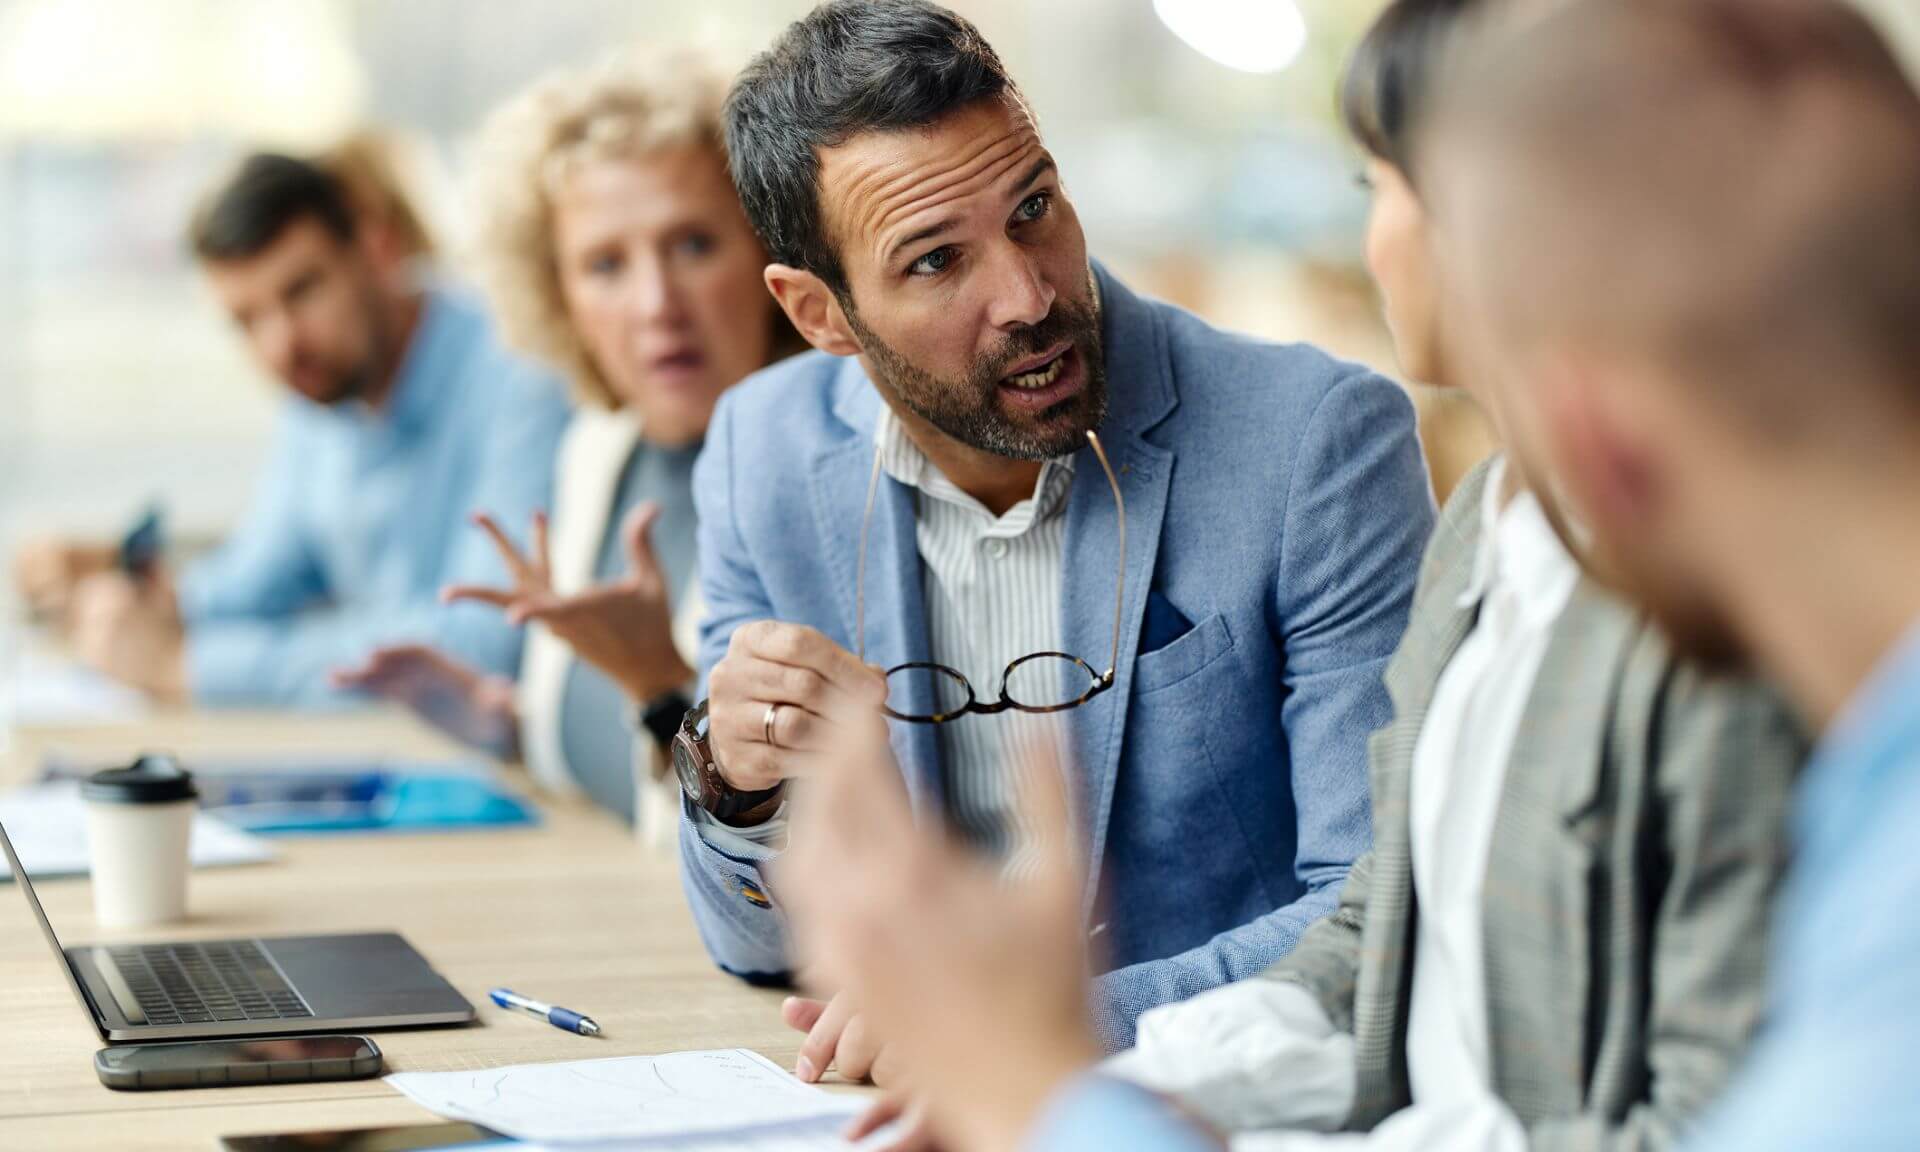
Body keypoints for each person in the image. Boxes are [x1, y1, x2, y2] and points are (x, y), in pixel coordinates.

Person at [784, 0, 1920, 1149]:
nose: (1028, 296)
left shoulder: (1735, 678)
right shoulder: (1489, 518)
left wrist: (1053, 1095)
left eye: (1375, 187)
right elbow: (1386, 922)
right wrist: (1135, 1092)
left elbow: (1692, 1117)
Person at [676, 0, 1435, 1081]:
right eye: (935, 262)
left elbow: (1380, 910)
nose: (1028, 297)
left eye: (1033, 207)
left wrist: (1039, 1028)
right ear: (818, 314)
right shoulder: (763, 455)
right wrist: (737, 784)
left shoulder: (1315, 442)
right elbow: (756, 946)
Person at [335, 48, 798, 838]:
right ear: (558, 296)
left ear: (768, 252)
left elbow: (771, 874)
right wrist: (506, 728)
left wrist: (660, 690)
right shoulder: (599, 446)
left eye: (692, 245)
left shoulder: (814, 475)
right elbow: (609, 770)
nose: (656, 304)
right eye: (605, 264)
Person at [13, 153, 570, 708]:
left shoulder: (518, 373)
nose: (281, 344)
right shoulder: (321, 392)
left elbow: (484, 644)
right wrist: (147, 605)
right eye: (246, 320)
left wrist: (192, 667)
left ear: (377, 248)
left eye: (302, 290)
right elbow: (260, 577)